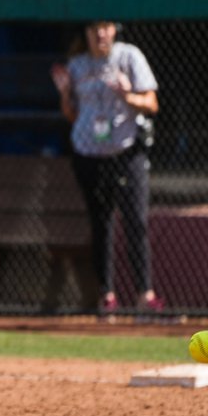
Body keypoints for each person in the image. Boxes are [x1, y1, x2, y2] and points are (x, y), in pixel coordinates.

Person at [50, 19, 163, 314]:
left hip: (126, 152)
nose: (100, 33)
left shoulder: (129, 56)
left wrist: (128, 96)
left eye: (106, 27)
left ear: (114, 29)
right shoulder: (77, 65)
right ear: (86, 33)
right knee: (101, 224)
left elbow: (152, 104)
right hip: (89, 153)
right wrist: (64, 93)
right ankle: (107, 296)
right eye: (93, 28)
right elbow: (73, 115)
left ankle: (145, 296)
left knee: (135, 220)